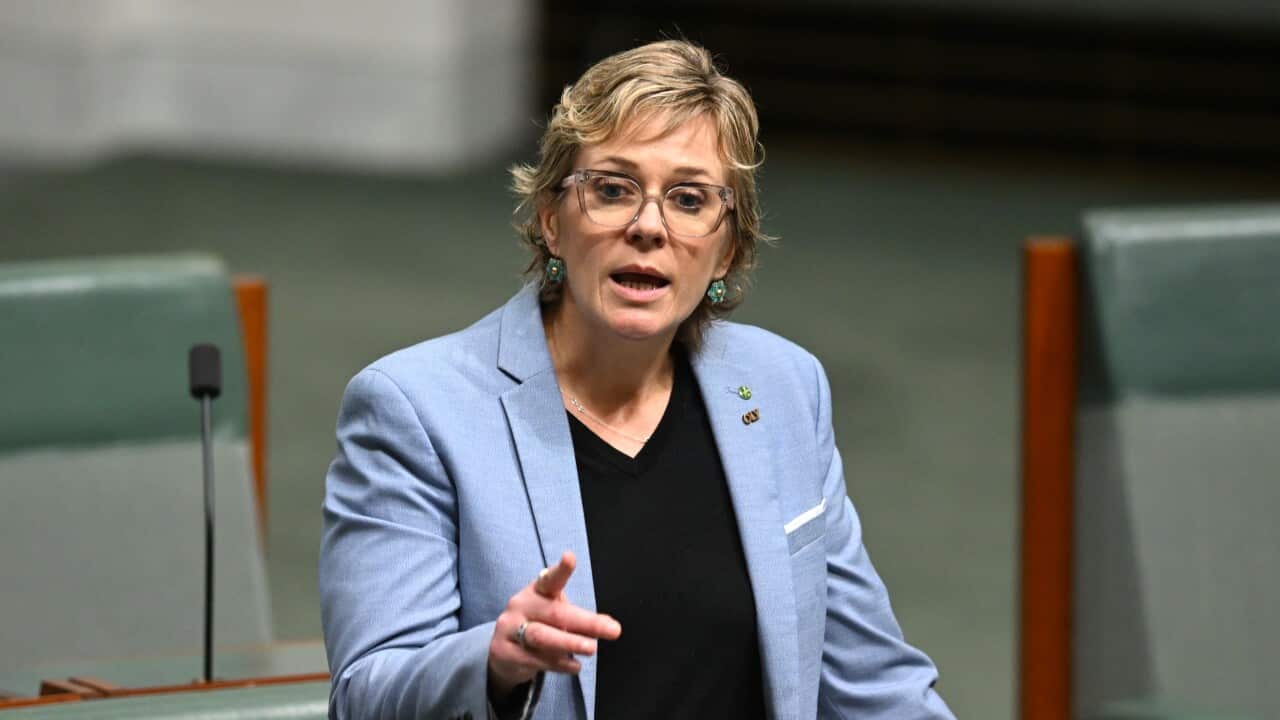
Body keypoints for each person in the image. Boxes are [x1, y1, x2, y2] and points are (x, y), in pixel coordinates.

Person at [319, 39, 954, 720]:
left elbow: (876, 683)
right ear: (550, 221)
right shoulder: (418, 410)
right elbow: (367, 696)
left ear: (727, 250)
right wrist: (495, 663)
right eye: (613, 189)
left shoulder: (778, 389)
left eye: (687, 199)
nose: (649, 226)